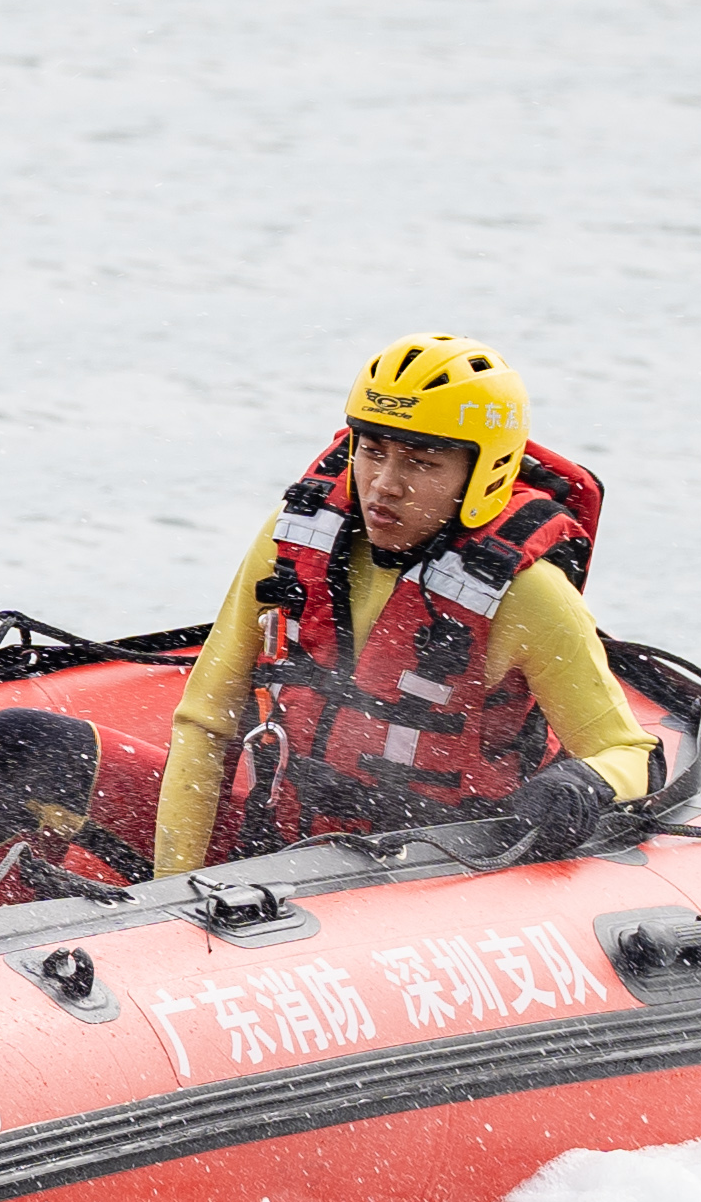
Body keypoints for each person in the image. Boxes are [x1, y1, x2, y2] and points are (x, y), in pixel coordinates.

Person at [150, 333, 654, 876]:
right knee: (50, 745)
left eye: (421, 464)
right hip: (284, 853)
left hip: (438, 877)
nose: (384, 485)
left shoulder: (530, 595)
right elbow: (206, 722)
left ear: (484, 472)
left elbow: (630, 754)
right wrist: (174, 892)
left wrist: (583, 782)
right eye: (372, 452)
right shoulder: (292, 536)